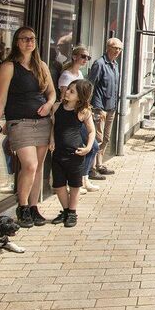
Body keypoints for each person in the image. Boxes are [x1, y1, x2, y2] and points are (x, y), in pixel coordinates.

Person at [0, 26, 56, 228]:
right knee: (30, 165)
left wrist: (48, 105)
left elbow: (52, 93)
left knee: (39, 167)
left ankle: (34, 208)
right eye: (25, 38)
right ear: (17, 42)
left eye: (32, 39)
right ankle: (23, 206)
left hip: (43, 123)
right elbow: (0, 99)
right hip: (19, 122)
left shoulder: (41, 66)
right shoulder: (9, 66)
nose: (29, 42)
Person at [48, 80, 95, 228]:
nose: (67, 92)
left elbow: (91, 131)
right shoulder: (56, 107)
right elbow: (53, 126)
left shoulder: (83, 112)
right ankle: (66, 210)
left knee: (75, 185)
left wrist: (88, 148)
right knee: (59, 185)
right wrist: (51, 140)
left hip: (75, 155)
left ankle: (72, 212)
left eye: (72, 91)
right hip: (58, 153)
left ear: (80, 97)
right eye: (68, 89)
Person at [58, 45, 99, 193]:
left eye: (88, 57)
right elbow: (65, 98)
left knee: (92, 146)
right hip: (72, 116)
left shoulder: (80, 75)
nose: (85, 60)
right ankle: (78, 180)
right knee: (85, 147)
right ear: (74, 56)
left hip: (80, 114)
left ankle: (84, 178)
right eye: (83, 56)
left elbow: (83, 96)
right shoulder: (67, 76)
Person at [88, 38, 122, 179]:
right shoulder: (99, 64)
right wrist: (92, 106)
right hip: (100, 107)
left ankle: (99, 165)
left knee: (106, 138)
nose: (117, 51)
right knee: (97, 138)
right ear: (108, 47)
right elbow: (90, 85)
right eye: (115, 48)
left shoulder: (115, 65)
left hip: (111, 107)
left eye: (120, 49)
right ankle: (90, 169)